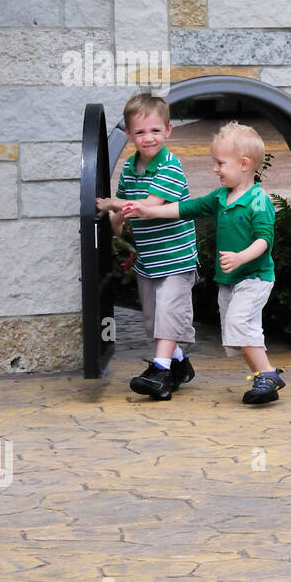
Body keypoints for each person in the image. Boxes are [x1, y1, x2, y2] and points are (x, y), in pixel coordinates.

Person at [124, 121, 285, 406]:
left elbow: (264, 241)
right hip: (230, 280)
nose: (215, 168)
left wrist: (240, 257)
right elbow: (188, 208)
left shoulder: (259, 201)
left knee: (238, 324)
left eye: (220, 163)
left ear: (244, 164)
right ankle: (265, 375)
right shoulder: (221, 196)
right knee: (238, 331)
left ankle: (268, 374)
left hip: (255, 277)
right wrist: (148, 210)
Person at [96, 93, 198, 401]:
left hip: (177, 259)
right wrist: (113, 219)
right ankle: (179, 364)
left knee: (169, 311)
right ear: (128, 135)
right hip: (149, 260)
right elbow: (123, 216)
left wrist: (114, 203)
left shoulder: (170, 165)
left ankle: (160, 370)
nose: (148, 138)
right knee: (154, 320)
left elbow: (148, 205)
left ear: (168, 131)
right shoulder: (129, 168)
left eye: (155, 131)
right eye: (140, 132)